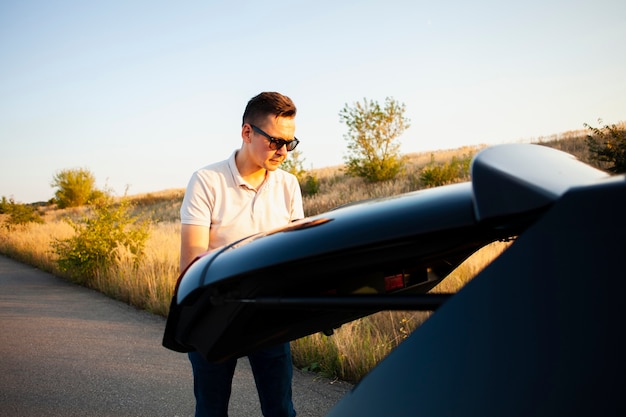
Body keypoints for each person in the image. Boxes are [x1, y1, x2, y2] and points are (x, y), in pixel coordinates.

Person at [179, 91, 303, 417]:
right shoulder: (207, 181)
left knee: (281, 411)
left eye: (290, 143)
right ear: (247, 132)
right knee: (211, 410)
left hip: (270, 315)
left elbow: (296, 255)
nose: (283, 152)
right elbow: (191, 261)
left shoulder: (288, 186)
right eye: (275, 141)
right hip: (216, 313)